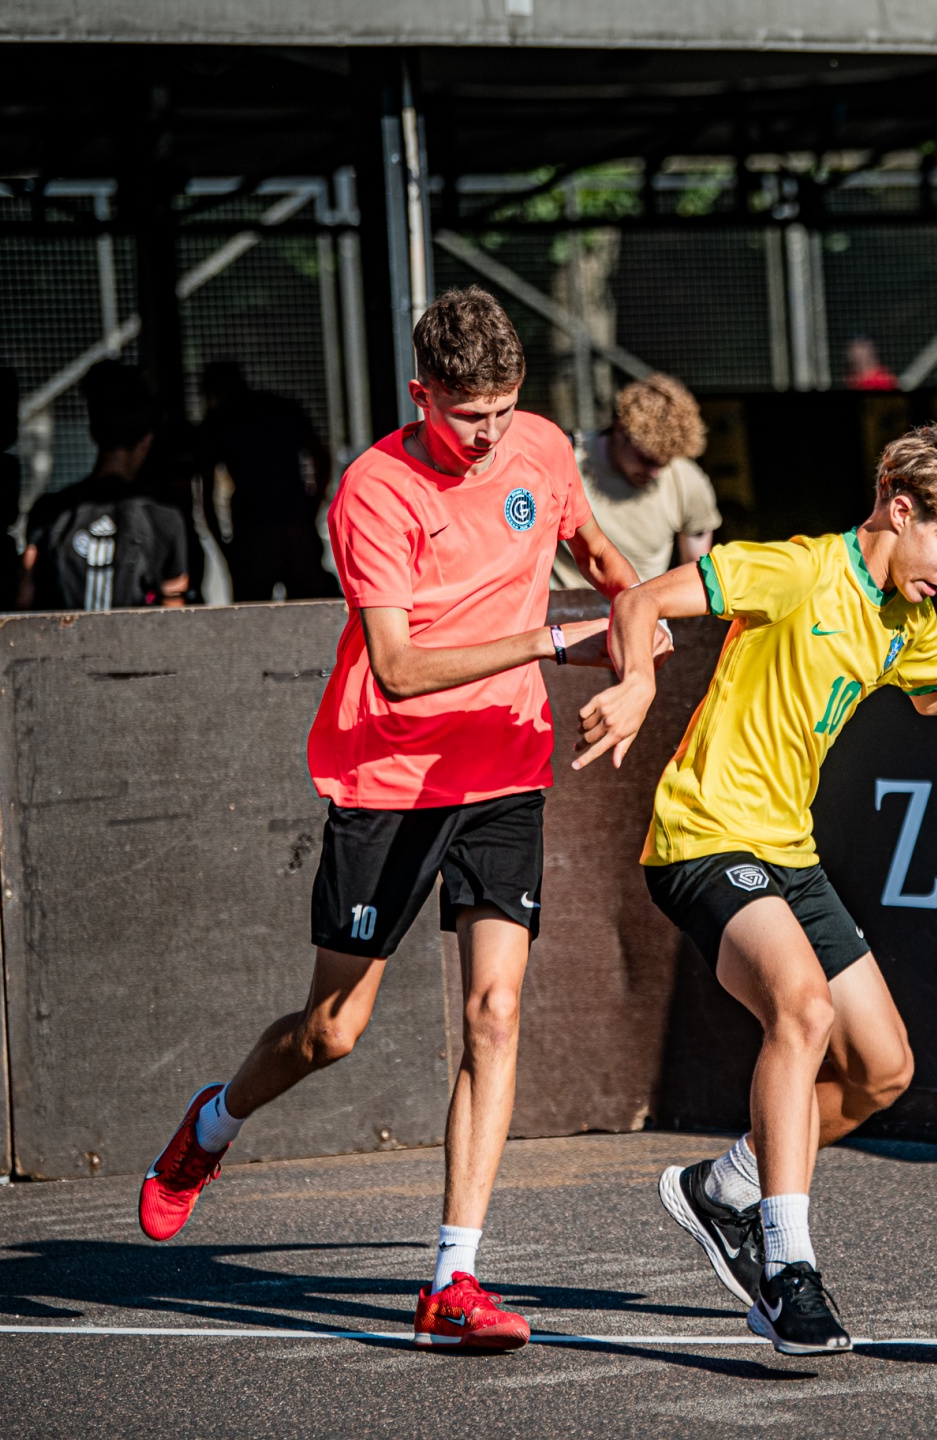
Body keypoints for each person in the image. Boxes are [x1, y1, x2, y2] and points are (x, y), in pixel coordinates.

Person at [134, 288, 665, 1353]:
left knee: (496, 1015)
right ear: (422, 395)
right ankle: (212, 1123)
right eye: (469, 416)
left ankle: (451, 1280)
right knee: (332, 1032)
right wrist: (554, 643)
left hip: (504, 770)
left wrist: (642, 665)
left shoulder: (540, 448)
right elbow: (400, 666)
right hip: (390, 777)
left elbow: (613, 571)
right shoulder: (373, 492)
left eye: (505, 410)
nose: (491, 435)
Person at [570, 424, 937, 1355]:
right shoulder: (795, 571)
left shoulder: (903, 618)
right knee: (803, 1008)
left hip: (789, 852)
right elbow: (644, 597)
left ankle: (726, 1188)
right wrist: (636, 685)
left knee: (883, 1070)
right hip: (704, 835)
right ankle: (788, 1269)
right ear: (900, 510)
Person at [20, 361, 190, 611]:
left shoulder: (49, 512)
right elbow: (174, 613)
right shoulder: (165, 520)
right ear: (147, 440)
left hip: (61, 636)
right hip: (136, 638)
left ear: (93, 432)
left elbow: (24, 599)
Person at [552, 373, 721, 590]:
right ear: (620, 428)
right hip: (564, 602)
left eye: (663, 464)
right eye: (645, 459)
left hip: (641, 602)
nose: (654, 473)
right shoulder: (565, 458)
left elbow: (696, 574)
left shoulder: (688, 481)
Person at [196, 359, 340, 602]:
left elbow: (207, 491)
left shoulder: (220, 422)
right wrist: (313, 504)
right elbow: (320, 456)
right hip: (294, 523)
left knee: (252, 612)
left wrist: (225, 548)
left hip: (253, 531)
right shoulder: (282, 409)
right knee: (310, 607)